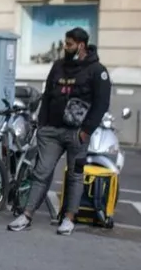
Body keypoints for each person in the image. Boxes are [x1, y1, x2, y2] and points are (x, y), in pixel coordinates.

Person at [8, 27, 111, 235]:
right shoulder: (58, 66)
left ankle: (69, 219)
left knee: (75, 176)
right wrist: (42, 124)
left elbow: (101, 104)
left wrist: (86, 131)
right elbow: (47, 95)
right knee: (41, 173)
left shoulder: (97, 70)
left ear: (81, 45)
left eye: (69, 44)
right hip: (51, 132)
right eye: (65, 43)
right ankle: (26, 215)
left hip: (77, 133)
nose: (65, 47)